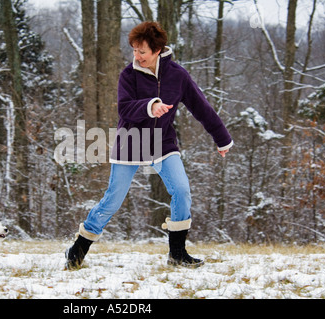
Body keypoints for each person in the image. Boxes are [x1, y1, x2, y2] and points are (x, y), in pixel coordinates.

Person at [65, 21, 233, 270]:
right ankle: (79, 247)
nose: (137, 56)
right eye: (134, 50)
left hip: (163, 143)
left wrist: (222, 138)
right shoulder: (128, 75)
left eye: (142, 51)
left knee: (182, 190)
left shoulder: (177, 75)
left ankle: (177, 253)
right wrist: (150, 106)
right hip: (131, 142)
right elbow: (124, 108)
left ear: (157, 50)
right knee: (113, 200)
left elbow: (201, 107)